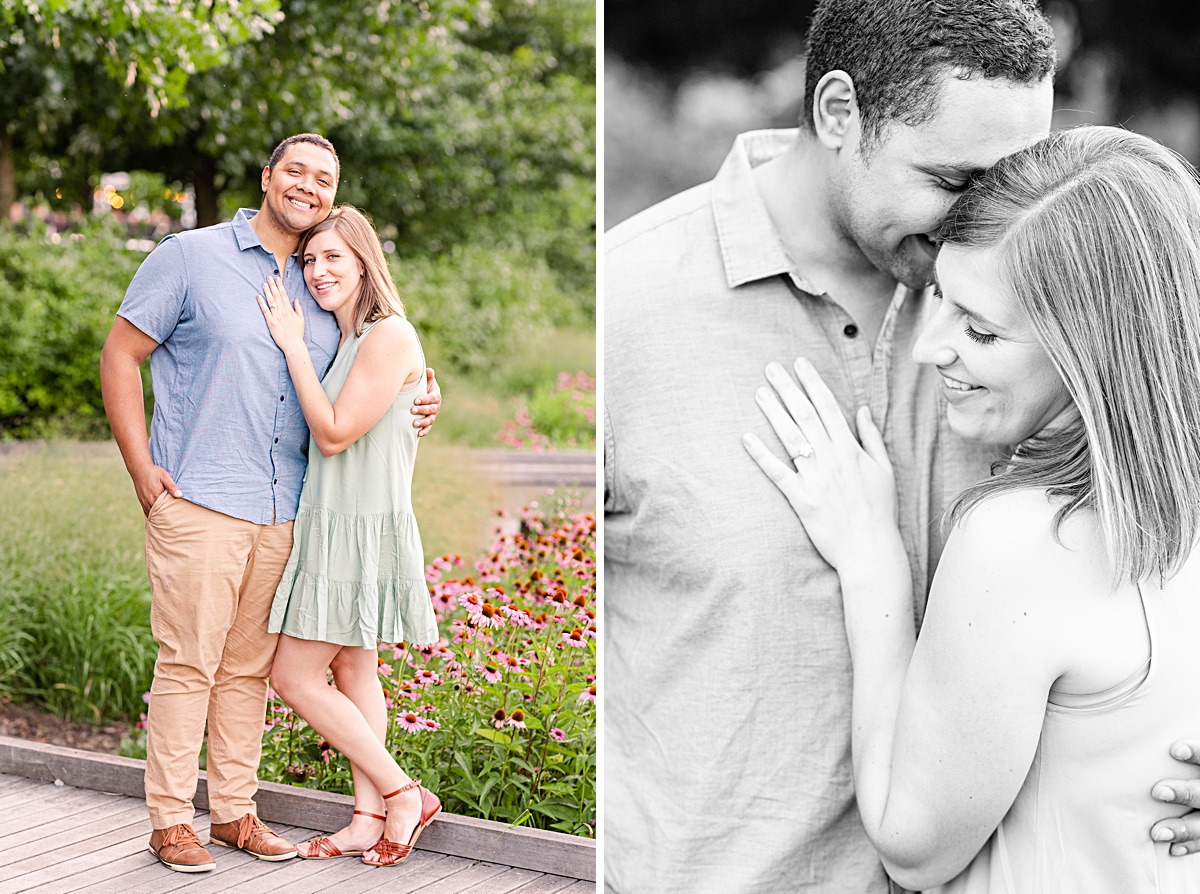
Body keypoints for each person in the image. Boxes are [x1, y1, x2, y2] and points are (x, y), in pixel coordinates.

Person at [602, 1, 1200, 890]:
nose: (997, 217)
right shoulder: (624, 307)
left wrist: (1151, 734)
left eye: (1018, 176)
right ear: (840, 113)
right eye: (961, 182)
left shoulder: (1047, 307)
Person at [744, 125, 1200, 892]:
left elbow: (912, 845)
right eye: (940, 301)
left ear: (1092, 353)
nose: (930, 349)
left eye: (982, 330)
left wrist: (872, 564)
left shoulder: (1026, 541)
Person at [98, 134, 442, 873]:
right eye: (296, 172)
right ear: (266, 178)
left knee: (249, 672)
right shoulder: (190, 258)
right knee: (188, 662)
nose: (308, 186)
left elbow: (369, 374)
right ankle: (170, 822)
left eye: (325, 178)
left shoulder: (324, 286)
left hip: (291, 512)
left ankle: (234, 814)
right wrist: (141, 469)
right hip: (201, 499)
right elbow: (120, 354)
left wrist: (422, 393)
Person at [257, 205, 441, 867]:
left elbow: (334, 433)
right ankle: (367, 816)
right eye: (310, 259)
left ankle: (401, 794)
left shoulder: (387, 335)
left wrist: (289, 344)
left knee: (293, 677)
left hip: (358, 530)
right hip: (337, 524)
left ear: (365, 260)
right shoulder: (352, 341)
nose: (318, 269)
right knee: (353, 668)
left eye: (333, 256)